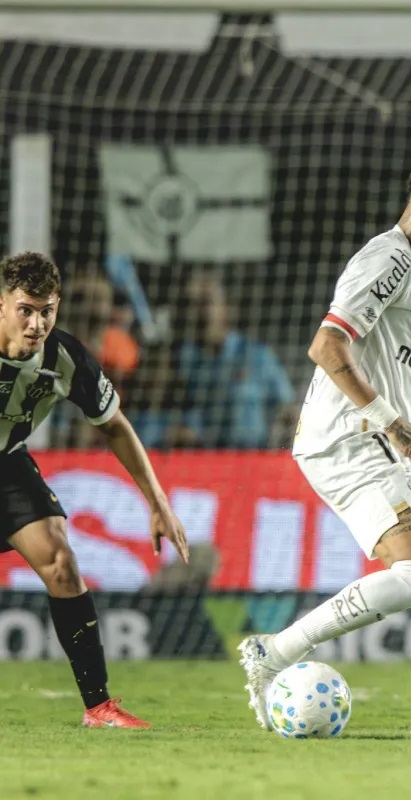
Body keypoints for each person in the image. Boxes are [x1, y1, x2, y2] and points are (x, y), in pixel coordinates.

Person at [238, 155, 411, 736]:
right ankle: (275, 652)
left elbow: (405, 385)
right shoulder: (387, 260)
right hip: (347, 438)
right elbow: (327, 346)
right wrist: (386, 419)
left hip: (375, 436)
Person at [0, 251, 189, 728]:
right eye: (25, 310)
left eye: (46, 311)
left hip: (7, 464)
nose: (37, 323)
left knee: (60, 562)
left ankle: (99, 707)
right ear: (2, 304)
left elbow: (114, 427)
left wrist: (157, 501)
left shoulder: (66, 358)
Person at [174, 273, 298, 449]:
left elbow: (288, 407)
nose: (200, 311)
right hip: (202, 457)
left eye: (206, 302)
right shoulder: (182, 360)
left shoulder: (257, 356)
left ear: (226, 308)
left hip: (252, 455)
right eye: (192, 304)